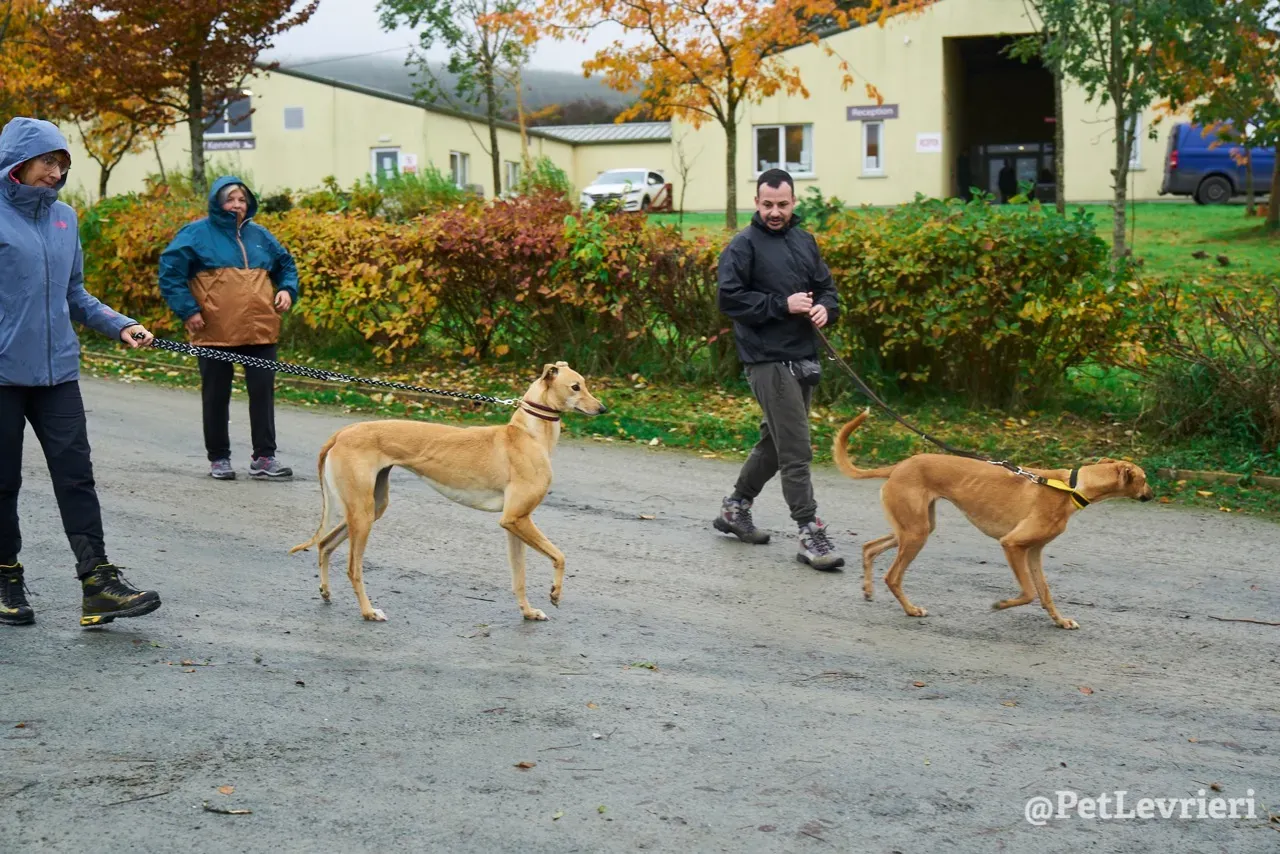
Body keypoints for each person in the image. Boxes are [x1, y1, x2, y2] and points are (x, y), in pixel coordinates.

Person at [0, 117, 162, 627]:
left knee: (77, 478)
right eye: (48, 161)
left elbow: (75, 294)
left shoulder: (65, 218)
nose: (56, 172)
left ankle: (98, 584)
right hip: (2, 375)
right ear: (18, 162)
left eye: (62, 163)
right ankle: (5, 578)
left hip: (58, 376)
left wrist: (121, 324)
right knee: (2, 482)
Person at [712, 168, 845, 571]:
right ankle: (809, 532)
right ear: (756, 202)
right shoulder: (743, 246)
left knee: (777, 442)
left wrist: (826, 309)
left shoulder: (805, 241)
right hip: (766, 358)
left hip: (803, 354)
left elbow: (828, 290)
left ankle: (735, 507)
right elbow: (729, 299)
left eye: (782, 204)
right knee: (796, 449)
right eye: (767, 204)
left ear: (793, 203)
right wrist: (781, 305)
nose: (774, 212)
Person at [159, 176, 299, 481]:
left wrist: (288, 290)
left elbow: (286, 265)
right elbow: (170, 272)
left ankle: (264, 458)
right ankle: (219, 458)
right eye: (230, 199)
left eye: (242, 200)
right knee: (216, 396)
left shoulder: (260, 235)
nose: (237, 205)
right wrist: (188, 310)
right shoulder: (195, 234)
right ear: (217, 202)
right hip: (213, 330)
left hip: (261, 330)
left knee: (262, 395)